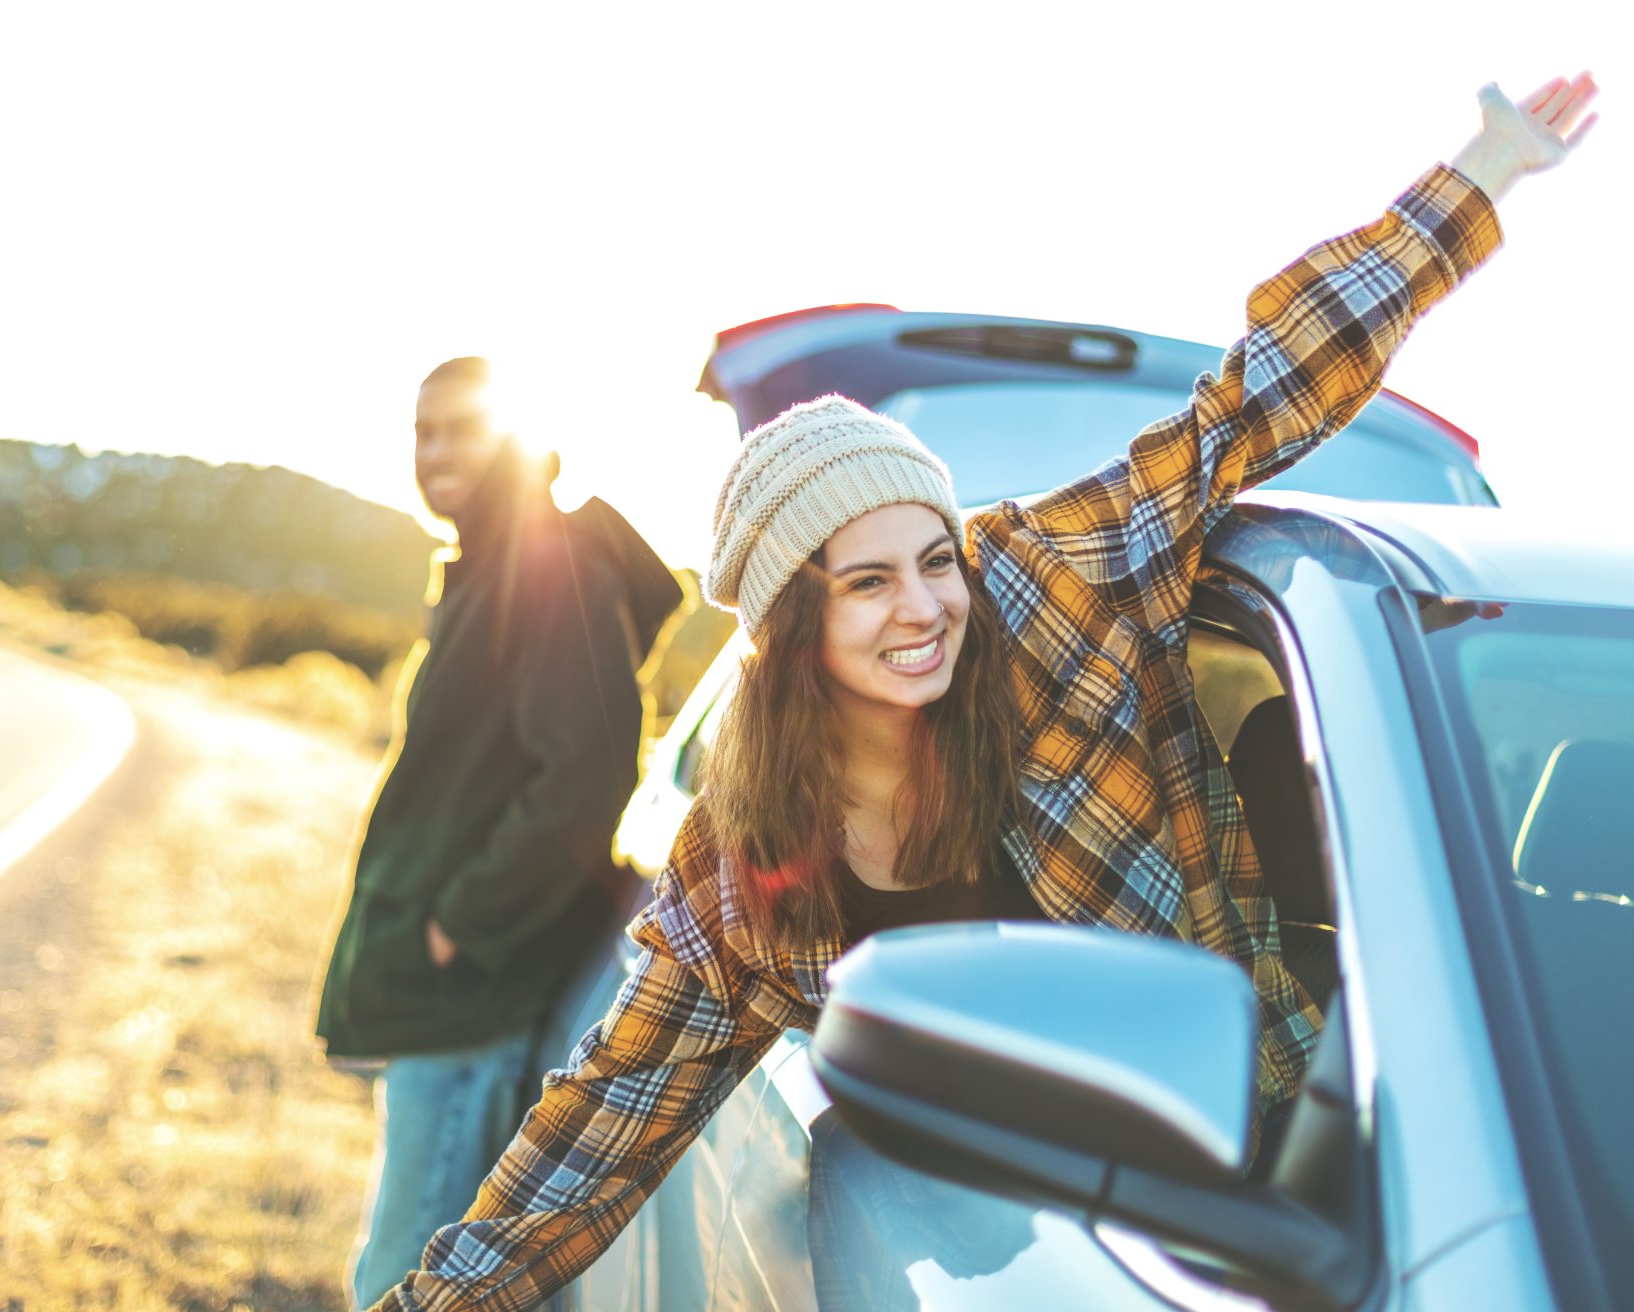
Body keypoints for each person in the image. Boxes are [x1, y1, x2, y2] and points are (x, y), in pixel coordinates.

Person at [368, 73, 1599, 1311]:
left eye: (937, 557)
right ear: (793, 624)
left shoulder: (1056, 589)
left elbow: (1258, 396)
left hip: (1273, 1201)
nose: (928, 606)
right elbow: (604, 1125)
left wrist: (1482, 175)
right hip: (963, 1250)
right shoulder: (746, 861)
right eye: (867, 584)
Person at [315, 356, 684, 1309]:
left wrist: (459, 926)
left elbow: (585, 781)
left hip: (473, 996)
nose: (435, 451)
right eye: (422, 431)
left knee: (406, 1273)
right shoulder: (493, 564)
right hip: (457, 992)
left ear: (514, 437)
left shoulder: (544, 567)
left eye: (461, 429)